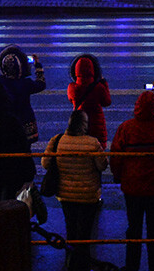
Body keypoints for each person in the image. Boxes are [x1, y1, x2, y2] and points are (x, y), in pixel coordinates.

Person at [111, 83, 154, 271]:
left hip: (132, 188)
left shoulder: (126, 128)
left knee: (134, 228)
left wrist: (118, 176)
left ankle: (132, 266)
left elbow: (116, 156)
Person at [44, 110, 106, 271]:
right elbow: (102, 166)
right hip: (88, 195)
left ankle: (70, 263)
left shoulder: (57, 141)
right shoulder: (92, 143)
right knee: (85, 234)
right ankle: (83, 265)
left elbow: (45, 163)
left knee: (70, 230)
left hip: (65, 194)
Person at [0, 46, 46, 150]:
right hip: (25, 124)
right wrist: (37, 65)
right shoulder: (25, 84)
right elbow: (41, 84)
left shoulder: (0, 83)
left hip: (7, 125)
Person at [67, 55, 111, 148]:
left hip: (79, 123)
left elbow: (71, 100)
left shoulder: (72, 87)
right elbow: (107, 102)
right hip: (97, 125)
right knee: (97, 152)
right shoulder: (98, 87)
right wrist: (104, 83)